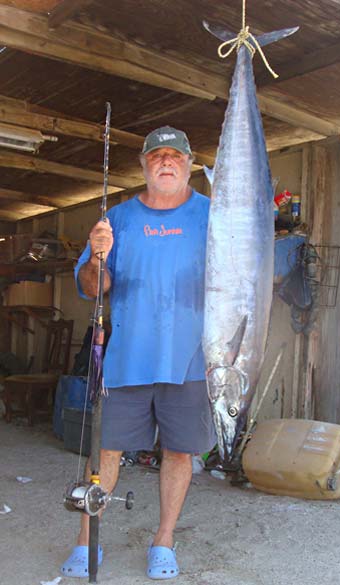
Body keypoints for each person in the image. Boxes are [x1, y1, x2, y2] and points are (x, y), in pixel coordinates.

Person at [61, 126, 216, 580]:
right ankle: (88, 542)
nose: (166, 163)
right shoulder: (119, 219)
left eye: (175, 156)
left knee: (180, 452)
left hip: (190, 359)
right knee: (106, 452)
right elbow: (93, 289)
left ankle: (163, 541)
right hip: (127, 357)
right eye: (156, 156)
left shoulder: (214, 216)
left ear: (189, 163)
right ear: (143, 165)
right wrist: (95, 258)